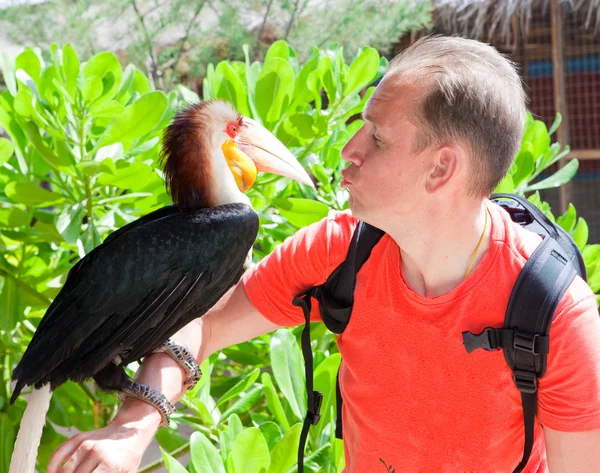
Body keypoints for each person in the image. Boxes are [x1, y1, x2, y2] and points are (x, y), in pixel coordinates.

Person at [48, 35, 600, 473]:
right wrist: (136, 424)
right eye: (360, 124)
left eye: (377, 138)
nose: (349, 151)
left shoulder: (554, 314)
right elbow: (204, 327)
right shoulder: (342, 250)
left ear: (441, 168)